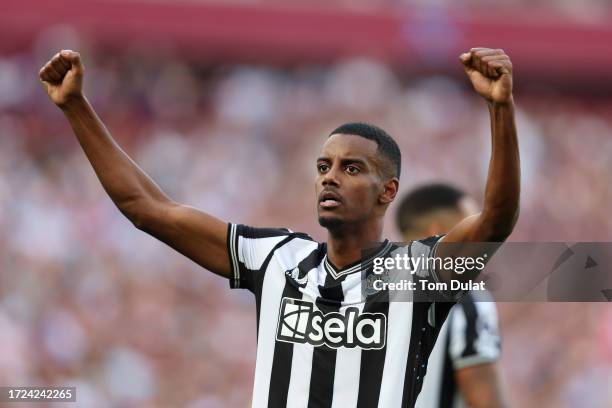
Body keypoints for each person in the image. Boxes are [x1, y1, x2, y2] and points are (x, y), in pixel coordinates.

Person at [39, 47, 519, 407]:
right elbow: (145, 207)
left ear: (388, 191)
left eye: (351, 168)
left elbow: (496, 220)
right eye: (323, 165)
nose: (330, 176)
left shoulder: (415, 274)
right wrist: (76, 107)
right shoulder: (276, 259)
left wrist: (500, 109)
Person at [397, 184, 508, 408]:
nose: (482, 240)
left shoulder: (361, 287)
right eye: (473, 228)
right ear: (437, 233)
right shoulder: (465, 296)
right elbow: (485, 401)